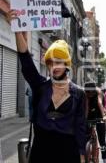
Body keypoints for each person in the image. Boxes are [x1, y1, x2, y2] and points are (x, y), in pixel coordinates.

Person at [8, 11, 86, 163]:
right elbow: (26, 62)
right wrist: (17, 30)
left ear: (66, 64)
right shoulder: (40, 86)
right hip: (41, 152)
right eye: (50, 62)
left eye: (58, 62)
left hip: (67, 154)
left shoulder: (78, 94)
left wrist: (82, 155)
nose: (54, 66)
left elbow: (80, 127)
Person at [84, 82, 106, 163]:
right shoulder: (85, 94)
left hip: (99, 113)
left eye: (92, 92)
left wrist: (104, 116)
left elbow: (100, 103)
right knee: (86, 137)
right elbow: (86, 107)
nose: (90, 94)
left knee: (102, 141)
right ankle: (88, 153)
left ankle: (105, 160)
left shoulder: (98, 92)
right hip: (90, 113)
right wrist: (85, 119)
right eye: (88, 92)